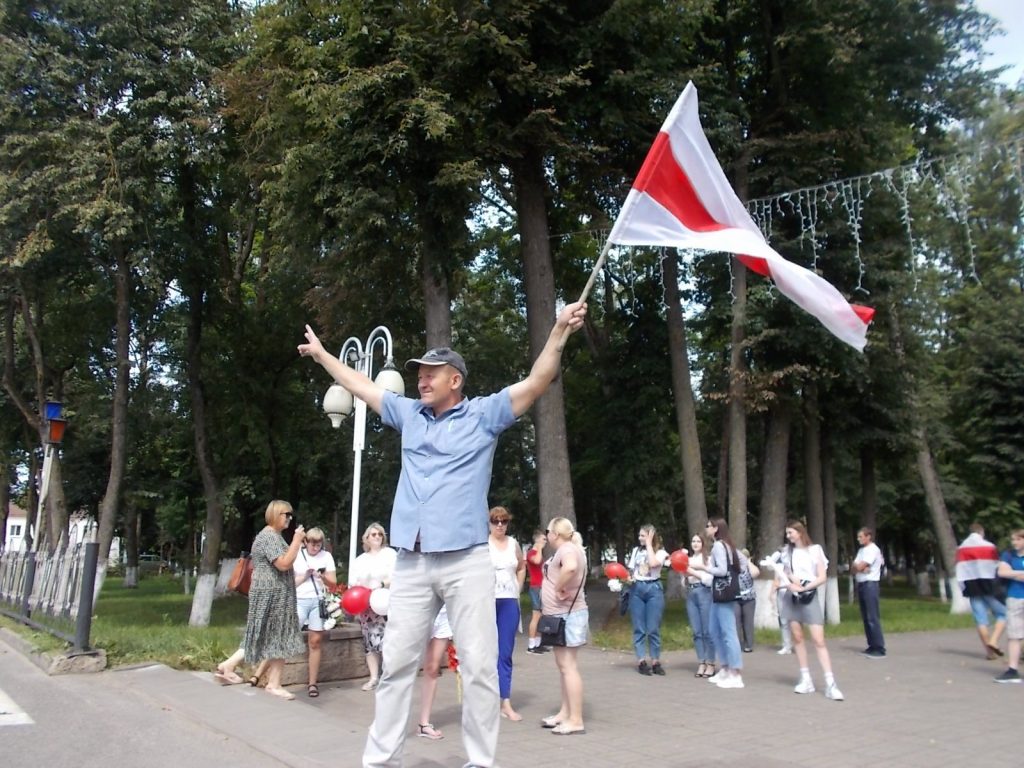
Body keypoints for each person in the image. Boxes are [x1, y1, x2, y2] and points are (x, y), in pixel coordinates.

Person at [298, 300, 587, 768]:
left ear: (456, 379)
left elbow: (537, 382)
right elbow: (362, 386)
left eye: (432, 372)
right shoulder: (408, 413)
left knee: (478, 668)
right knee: (395, 667)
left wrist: (557, 332)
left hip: (466, 560)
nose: (421, 379)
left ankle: (479, 761)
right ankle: (379, 760)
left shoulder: (485, 414)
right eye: (418, 372)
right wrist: (324, 356)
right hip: (410, 562)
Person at [242, 499, 307, 700]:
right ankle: (228, 666)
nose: (289, 518)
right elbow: (284, 564)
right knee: (265, 634)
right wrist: (297, 541)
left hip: (279, 594)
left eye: (290, 515)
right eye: (286, 514)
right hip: (270, 595)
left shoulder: (276, 536)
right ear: (275, 514)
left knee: (278, 637)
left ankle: (274, 683)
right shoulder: (269, 537)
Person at [780, 520, 844, 701]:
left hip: (809, 597)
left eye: (790, 532)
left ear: (800, 532)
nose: (788, 536)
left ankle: (830, 683)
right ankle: (805, 677)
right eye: (787, 533)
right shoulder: (787, 552)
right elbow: (785, 573)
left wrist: (806, 587)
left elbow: (822, 576)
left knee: (818, 639)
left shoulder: (815, 550)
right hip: (792, 597)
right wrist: (790, 581)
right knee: (798, 638)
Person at [540, 517, 588, 736]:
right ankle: (564, 712)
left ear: (555, 534)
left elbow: (570, 568)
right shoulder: (570, 548)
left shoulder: (567, 550)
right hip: (563, 616)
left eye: (547, 531)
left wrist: (559, 587)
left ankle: (576, 719)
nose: (546, 534)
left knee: (568, 667)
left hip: (567, 616)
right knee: (564, 667)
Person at [689, 517, 746, 689]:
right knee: (714, 631)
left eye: (708, 526)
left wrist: (703, 568)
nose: (706, 528)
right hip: (717, 595)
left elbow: (721, 570)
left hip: (723, 594)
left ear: (716, 528)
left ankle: (736, 674)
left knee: (728, 633)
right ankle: (726, 668)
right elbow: (742, 562)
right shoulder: (726, 545)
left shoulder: (720, 546)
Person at [349, 522, 397, 691]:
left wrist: (382, 584)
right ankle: (373, 677)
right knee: (369, 642)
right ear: (366, 538)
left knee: (388, 641)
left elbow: (399, 575)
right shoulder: (360, 560)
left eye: (380, 534)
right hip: (367, 606)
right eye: (374, 534)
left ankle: (388, 677)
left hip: (386, 604)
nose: (377, 537)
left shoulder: (390, 554)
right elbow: (353, 582)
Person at [488, 505, 526, 720]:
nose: (500, 525)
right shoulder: (484, 545)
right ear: (490, 523)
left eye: (504, 521)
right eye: (496, 521)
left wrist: (518, 587)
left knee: (505, 652)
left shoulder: (513, 544)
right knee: (485, 652)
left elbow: (521, 566)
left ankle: (506, 702)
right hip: (487, 601)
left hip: (509, 601)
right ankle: (486, 700)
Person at [293, 527, 337, 696]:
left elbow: (333, 582)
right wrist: (304, 576)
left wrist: (322, 576)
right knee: (287, 635)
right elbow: (289, 583)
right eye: (312, 543)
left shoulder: (326, 557)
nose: (315, 547)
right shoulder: (297, 554)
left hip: (317, 601)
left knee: (315, 641)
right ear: (306, 542)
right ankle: (262, 672)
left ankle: (312, 683)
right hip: (299, 599)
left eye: (318, 544)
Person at [955, 522, 1007, 660]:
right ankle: (993, 640)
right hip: (989, 584)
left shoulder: (961, 548)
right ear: (981, 532)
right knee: (1004, 614)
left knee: (980, 620)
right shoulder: (989, 546)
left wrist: (962, 588)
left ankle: (989, 653)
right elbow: (997, 566)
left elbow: (959, 569)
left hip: (971, 586)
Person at [626, 524, 669, 676]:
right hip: (637, 588)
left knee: (653, 628)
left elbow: (653, 564)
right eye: (639, 535)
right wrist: (628, 578)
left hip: (653, 589)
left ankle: (656, 661)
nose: (640, 538)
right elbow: (632, 570)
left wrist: (650, 545)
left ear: (651, 536)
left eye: (643, 535)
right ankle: (641, 661)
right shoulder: (636, 551)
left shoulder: (661, 552)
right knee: (639, 628)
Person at [416, 606, 453, 739]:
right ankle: (383, 721)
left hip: (443, 613)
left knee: (432, 668)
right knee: (401, 668)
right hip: (417, 609)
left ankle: (423, 724)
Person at [994, 529, 1024, 683]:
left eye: (1018, 539)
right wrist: (1019, 573)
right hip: (1014, 598)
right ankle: (1012, 670)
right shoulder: (1009, 555)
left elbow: (1008, 572)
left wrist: (1013, 572)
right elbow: (1002, 572)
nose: (1015, 543)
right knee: (1014, 635)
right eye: (1013, 540)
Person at [684, 532, 715, 678]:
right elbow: (684, 579)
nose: (695, 543)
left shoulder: (707, 560)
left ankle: (710, 663)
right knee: (696, 632)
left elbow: (709, 579)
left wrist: (692, 572)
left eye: (698, 541)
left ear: (703, 544)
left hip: (704, 592)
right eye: (693, 541)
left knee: (707, 631)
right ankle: (701, 662)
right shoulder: (687, 559)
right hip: (691, 593)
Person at [852, 527, 886, 659]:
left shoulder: (873, 549)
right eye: (858, 537)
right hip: (861, 584)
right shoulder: (861, 550)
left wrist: (859, 567)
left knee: (872, 617)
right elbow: (854, 568)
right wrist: (858, 567)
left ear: (868, 537)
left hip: (870, 584)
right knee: (866, 617)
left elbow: (859, 566)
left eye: (861, 537)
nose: (858, 539)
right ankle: (871, 645)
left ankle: (879, 647)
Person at [525, 529, 548, 654]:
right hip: (536, 587)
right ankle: (531, 645)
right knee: (536, 615)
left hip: (542, 586)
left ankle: (538, 643)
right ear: (537, 540)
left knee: (541, 616)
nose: (545, 541)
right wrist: (538, 548)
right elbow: (537, 561)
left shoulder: (537, 553)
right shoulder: (531, 553)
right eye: (543, 539)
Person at [735, 548, 760, 653]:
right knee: (736, 622)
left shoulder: (750, 568)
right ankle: (737, 645)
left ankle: (748, 645)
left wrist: (748, 562)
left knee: (748, 622)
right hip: (735, 598)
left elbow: (755, 573)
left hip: (749, 598)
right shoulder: (734, 567)